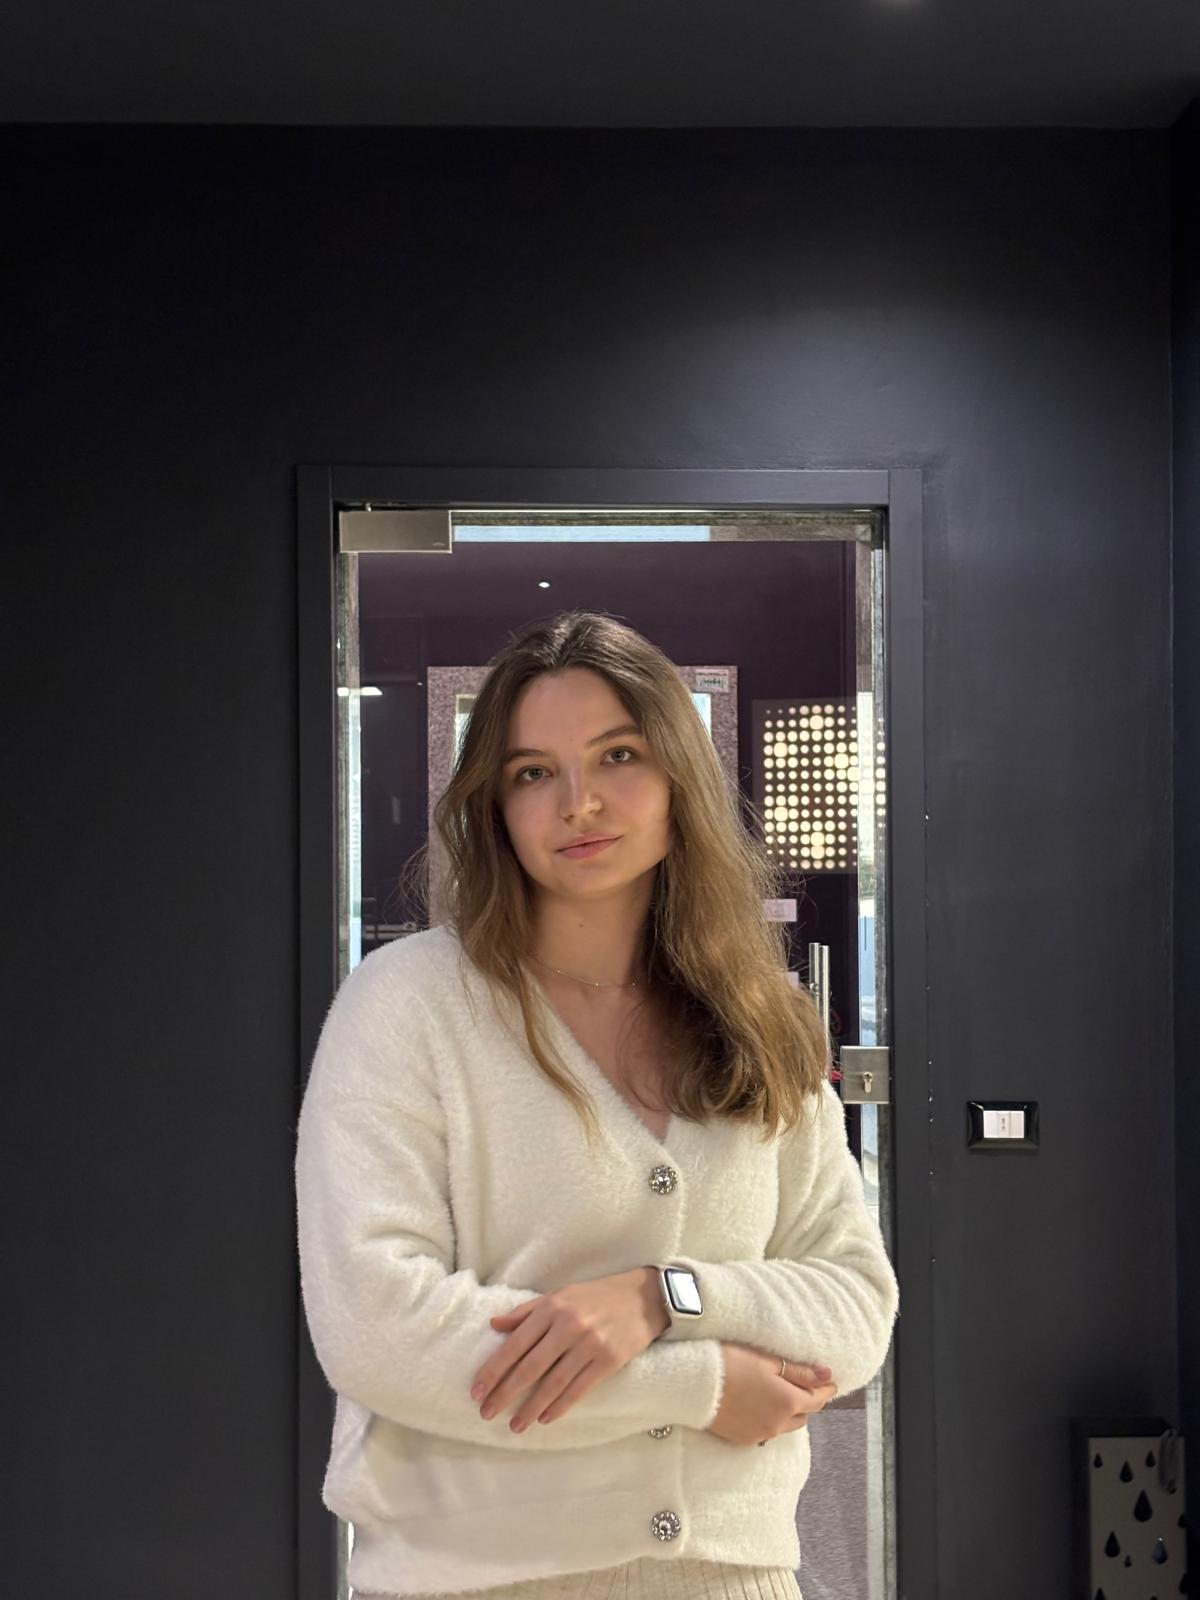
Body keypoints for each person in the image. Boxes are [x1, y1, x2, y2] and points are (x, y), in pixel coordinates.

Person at [295, 610, 900, 1599]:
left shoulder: (760, 1016)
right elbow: (381, 1327)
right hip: (473, 1581)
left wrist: (663, 1297)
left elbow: (853, 1304)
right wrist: (698, 1384)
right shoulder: (408, 1005)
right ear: (494, 804)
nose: (579, 801)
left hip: (734, 1577)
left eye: (617, 754)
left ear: (678, 778)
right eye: (534, 771)